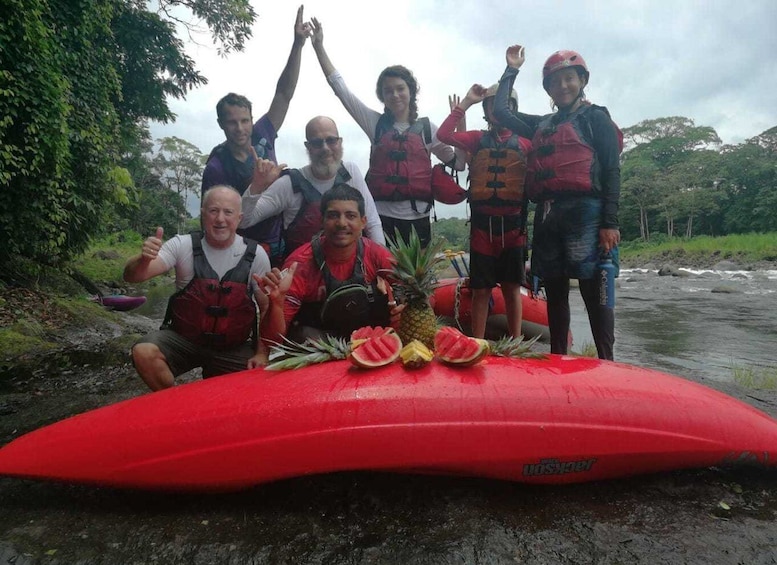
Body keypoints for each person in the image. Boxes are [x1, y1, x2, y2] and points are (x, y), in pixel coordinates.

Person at [493, 45, 622, 360]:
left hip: (587, 214)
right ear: (548, 88)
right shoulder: (542, 124)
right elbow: (501, 112)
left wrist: (610, 222)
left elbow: (612, 171)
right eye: (555, 81)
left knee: (592, 291)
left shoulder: (596, 118)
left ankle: (606, 359)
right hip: (549, 215)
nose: (563, 86)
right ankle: (558, 356)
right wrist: (511, 70)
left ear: (581, 80)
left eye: (569, 79)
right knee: (556, 291)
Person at [309, 17, 466, 247]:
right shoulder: (375, 124)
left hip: (418, 219)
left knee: (413, 283)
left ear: (411, 91)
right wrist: (319, 47)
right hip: (380, 219)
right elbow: (341, 90)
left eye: (400, 89)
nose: (395, 95)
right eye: (388, 91)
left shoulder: (427, 129)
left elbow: (459, 164)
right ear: (382, 96)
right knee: (381, 278)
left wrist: (460, 130)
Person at [124, 186, 272, 391]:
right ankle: (175, 403)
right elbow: (134, 276)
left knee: (261, 383)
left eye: (228, 212)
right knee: (144, 352)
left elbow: (266, 308)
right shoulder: (181, 245)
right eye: (213, 211)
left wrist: (262, 353)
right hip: (184, 341)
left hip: (233, 346)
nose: (220, 219)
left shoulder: (256, 254)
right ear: (203, 214)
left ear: (239, 218)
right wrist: (142, 259)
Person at [201, 5, 311, 265]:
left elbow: (284, 93)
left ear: (252, 120)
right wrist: (256, 186)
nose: (240, 128)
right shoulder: (217, 167)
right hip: (240, 247)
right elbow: (214, 216)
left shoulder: (263, 132)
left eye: (244, 121)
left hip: (278, 239)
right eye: (232, 123)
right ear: (221, 124)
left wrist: (298, 45)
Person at [437, 83, 531, 339]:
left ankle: (515, 344)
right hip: (482, 230)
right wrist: (466, 102)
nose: (498, 111)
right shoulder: (477, 139)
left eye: (504, 105)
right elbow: (443, 135)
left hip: (514, 229)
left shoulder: (526, 142)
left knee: (512, 289)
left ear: (512, 108)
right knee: (481, 291)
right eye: (492, 105)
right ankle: (477, 344)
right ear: (487, 110)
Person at [258, 184, 402, 345]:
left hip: (370, 340)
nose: (341, 223)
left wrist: (406, 309)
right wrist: (276, 304)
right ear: (322, 221)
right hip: (318, 349)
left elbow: (420, 293)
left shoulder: (376, 253)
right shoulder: (299, 263)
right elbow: (273, 340)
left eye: (350, 216)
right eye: (333, 215)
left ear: (363, 222)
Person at [239, 116, 385, 257]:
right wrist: (257, 186)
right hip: (303, 272)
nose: (325, 148)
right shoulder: (289, 184)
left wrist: (381, 263)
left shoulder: (351, 172)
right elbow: (243, 221)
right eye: (317, 143)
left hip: (348, 271)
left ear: (340, 142)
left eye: (331, 140)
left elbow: (372, 222)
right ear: (308, 147)